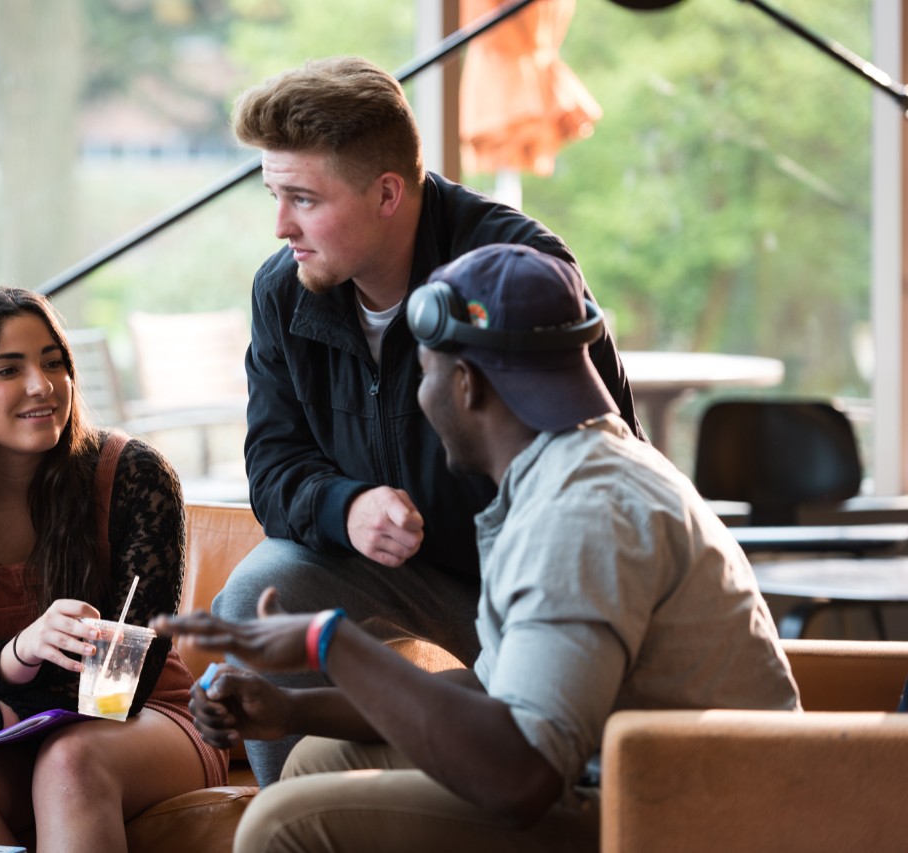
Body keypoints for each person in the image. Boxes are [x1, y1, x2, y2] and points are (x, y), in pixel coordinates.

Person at [155, 244, 801, 852]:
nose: (419, 394)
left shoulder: (582, 512)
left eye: (426, 371)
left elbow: (519, 779)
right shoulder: (561, 471)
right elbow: (495, 694)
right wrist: (291, 705)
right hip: (619, 769)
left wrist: (331, 641)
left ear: (467, 385)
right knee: (315, 757)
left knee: (283, 823)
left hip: (690, 812)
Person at [216, 55, 644, 785]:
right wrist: (345, 506)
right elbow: (272, 466)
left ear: (387, 193)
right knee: (262, 591)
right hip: (398, 576)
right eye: (273, 195)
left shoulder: (515, 271)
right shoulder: (284, 291)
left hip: (534, 578)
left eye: (303, 199)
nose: (281, 225)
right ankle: (289, 804)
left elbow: (598, 460)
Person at [0, 287, 227, 853]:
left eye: (54, 363)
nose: (42, 385)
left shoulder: (134, 475)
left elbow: (120, 686)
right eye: (9, 369)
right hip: (4, 736)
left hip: (144, 719)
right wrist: (19, 654)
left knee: (71, 759)